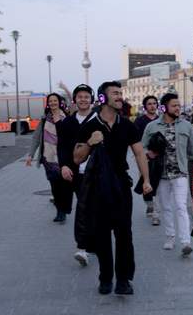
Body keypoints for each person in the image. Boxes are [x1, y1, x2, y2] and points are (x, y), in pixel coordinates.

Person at [73, 81, 152, 295]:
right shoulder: (89, 125)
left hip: (120, 185)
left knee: (124, 233)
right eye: (115, 93)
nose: (119, 96)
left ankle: (124, 280)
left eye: (120, 93)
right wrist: (90, 142)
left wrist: (146, 180)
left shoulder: (127, 125)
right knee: (101, 235)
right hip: (98, 187)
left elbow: (138, 153)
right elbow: (77, 158)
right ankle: (105, 278)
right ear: (102, 98)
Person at [141, 93, 193, 257]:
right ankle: (170, 237)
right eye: (174, 105)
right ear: (165, 107)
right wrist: (148, 154)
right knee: (165, 207)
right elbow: (141, 148)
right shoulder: (152, 126)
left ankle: (186, 241)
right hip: (160, 174)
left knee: (181, 206)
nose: (178, 108)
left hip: (180, 173)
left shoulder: (187, 126)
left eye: (179, 105)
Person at [57, 84, 95, 267]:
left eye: (86, 96)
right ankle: (82, 247)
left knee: (96, 210)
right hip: (77, 173)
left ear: (92, 99)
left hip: (98, 173)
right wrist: (64, 165)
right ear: (75, 100)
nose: (83, 99)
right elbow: (62, 147)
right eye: (79, 96)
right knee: (83, 208)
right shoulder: (68, 123)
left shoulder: (99, 120)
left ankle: (93, 241)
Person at [26, 93, 71, 224]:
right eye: (50, 101)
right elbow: (36, 137)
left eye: (55, 100)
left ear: (59, 102)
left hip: (63, 159)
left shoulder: (66, 118)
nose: (52, 103)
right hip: (48, 159)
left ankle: (63, 210)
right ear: (48, 103)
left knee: (63, 186)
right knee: (55, 187)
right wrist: (30, 155)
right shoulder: (45, 119)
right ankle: (59, 210)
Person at [134, 95, 161, 224]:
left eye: (154, 103)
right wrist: (144, 154)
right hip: (144, 156)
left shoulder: (161, 120)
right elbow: (135, 141)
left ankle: (156, 212)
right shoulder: (139, 121)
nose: (152, 106)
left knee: (158, 184)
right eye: (149, 104)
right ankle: (149, 203)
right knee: (146, 180)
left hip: (160, 158)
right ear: (145, 106)